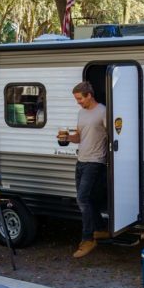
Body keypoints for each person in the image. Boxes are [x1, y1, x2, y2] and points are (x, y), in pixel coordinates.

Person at [58, 81, 109, 258]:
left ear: (89, 95)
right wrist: (68, 138)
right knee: (88, 199)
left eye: (80, 98)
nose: (78, 102)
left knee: (82, 199)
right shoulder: (81, 113)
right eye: (76, 99)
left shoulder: (103, 111)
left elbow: (113, 135)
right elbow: (80, 137)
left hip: (95, 162)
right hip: (81, 161)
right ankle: (101, 229)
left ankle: (88, 239)